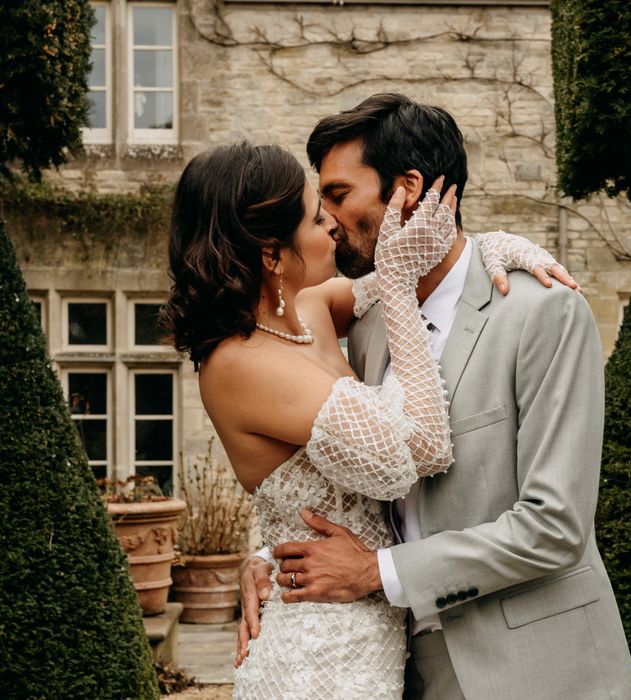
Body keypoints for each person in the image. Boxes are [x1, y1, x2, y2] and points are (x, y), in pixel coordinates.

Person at [241, 94, 631, 699]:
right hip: (397, 668)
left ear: (409, 189)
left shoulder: (544, 313)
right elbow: (343, 470)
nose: (325, 220)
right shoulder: (371, 324)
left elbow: (556, 526)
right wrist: (270, 554)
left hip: (538, 671)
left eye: (339, 195)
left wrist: (376, 573)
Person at [161, 141, 570, 698]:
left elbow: (436, 268)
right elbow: (421, 448)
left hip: (381, 630)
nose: (332, 223)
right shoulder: (238, 365)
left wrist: (498, 247)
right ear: (270, 254)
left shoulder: (308, 307)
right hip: (323, 648)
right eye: (314, 215)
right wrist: (399, 289)